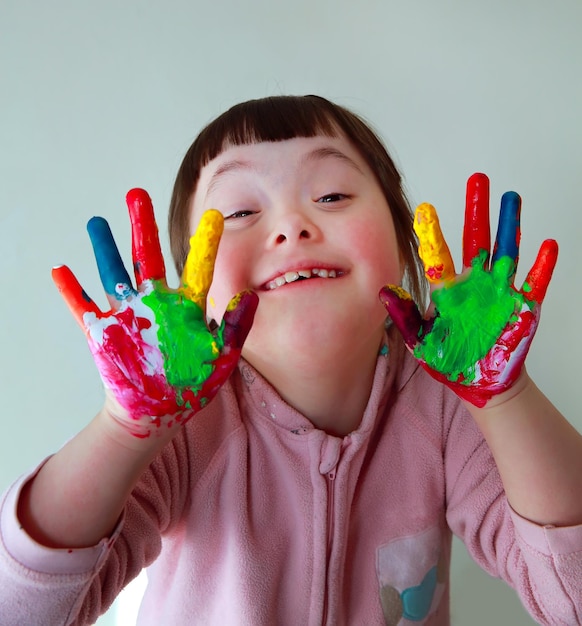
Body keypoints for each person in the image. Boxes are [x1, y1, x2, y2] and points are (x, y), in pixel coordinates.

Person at [1, 95, 581, 626]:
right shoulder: (183, 430)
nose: (291, 227)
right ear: (190, 289)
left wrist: (506, 399)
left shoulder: (444, 410)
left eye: (331, 196)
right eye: (237, 215)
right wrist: (125, 431)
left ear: (404, 239)